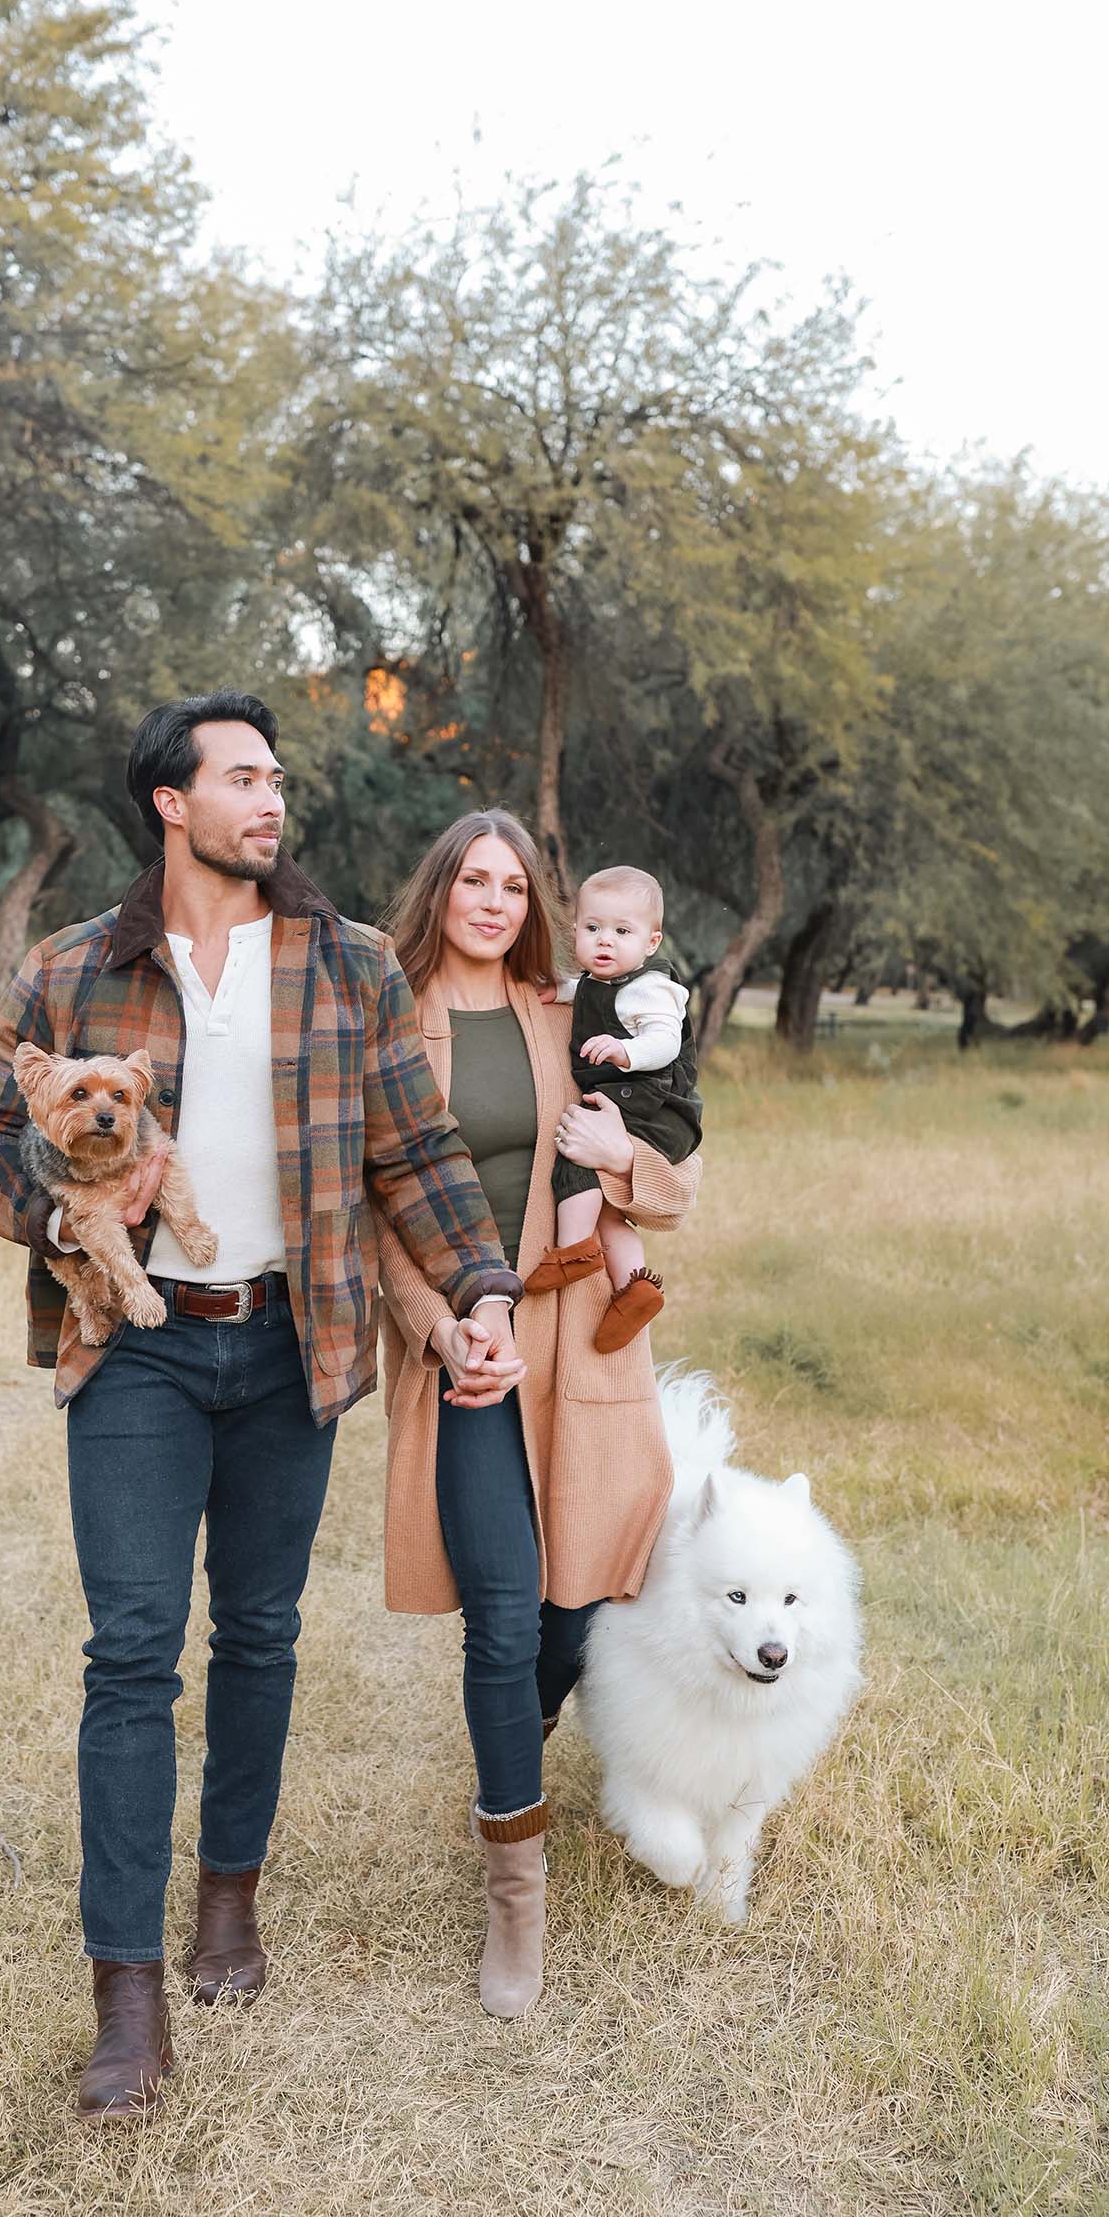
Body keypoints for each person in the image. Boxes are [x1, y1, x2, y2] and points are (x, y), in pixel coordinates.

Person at [0, 693, 523, 2121]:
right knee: (133, 1655)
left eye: (277, 779)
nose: (272, 801)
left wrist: (481, 1289)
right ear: (170, 800)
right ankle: (127, 1998)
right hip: (133, 1355)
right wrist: (69, 1209)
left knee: (260, 1636)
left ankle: (229, 1901)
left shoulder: (349, 962)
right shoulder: (76, 966)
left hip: (291, 1350)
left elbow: (418, 1150)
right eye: (243, 778)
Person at [375, 810, 702, 2017]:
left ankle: (520, 1736)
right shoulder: (389, 1022)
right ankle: (517, 1897)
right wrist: (437, 1324)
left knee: (578, 1605)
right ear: (439, 890)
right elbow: (374, 1209)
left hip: (582, 1337)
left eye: (515, 885)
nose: (494, 900)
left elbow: (673, 1192)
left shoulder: (577, 1012)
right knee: (504, 1614)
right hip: (472, 1348)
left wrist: (622, 1153)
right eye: (473, 878)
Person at [522, 864, 703, 1353]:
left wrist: (627, 1052)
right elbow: (586, 993)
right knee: (609, 1213)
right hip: (633, 1105)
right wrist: (554, 990)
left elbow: (664, 1041)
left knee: (577, 1158)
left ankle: (572, 1251)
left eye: (622, 932)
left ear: (651, 942)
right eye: (592, 928)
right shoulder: (603, 982)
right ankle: (633, 1287)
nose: (605, 941)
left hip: (650, 1105)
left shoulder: (650, 988)